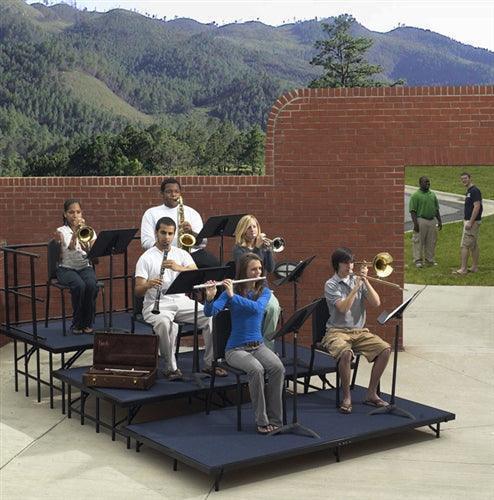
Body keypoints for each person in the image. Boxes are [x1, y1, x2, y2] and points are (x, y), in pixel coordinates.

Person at [135, 216, 227, 380]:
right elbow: (138, 291)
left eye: (170, 234)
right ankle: (170, 368)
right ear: (156, 233)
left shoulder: (181, 254)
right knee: (164, 323)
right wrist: (148, 284)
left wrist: (178, 268)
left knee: (211, 316)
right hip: (157, 304)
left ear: (174, 234)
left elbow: (196, 274)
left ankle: (210, 363)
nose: (166, 237)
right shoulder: (146, 258)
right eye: (163, 233)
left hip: (181, 301)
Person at [204, 253, 285, 434]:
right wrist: (210, 298)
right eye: (253, 269)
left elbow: (257, 308)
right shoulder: (230, 291)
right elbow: (211, 312)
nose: (258, 272)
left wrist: (232, 296)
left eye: (259, 269)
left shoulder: (264, 292)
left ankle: (275, 419)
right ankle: (262, 420)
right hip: (235, 350)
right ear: (244, 272)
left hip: (258, 346)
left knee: (278, 368)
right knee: (256, 370)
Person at [322, 247, 391, 414]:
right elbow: (343, 308)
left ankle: (371, 393)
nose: (350, 265)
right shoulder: (331, 284)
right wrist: (356, 287)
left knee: (385, 349)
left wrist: (365, 281)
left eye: (352, 262)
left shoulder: (358, 280)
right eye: (345, 262)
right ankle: (347, 397)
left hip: (359, 331)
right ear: (337, 265)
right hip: (336, 331)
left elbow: (376, 303)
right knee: (346, 353)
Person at [140, 177, 220, 268]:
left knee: (215, 265)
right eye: (169, 192)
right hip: (164, 253)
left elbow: (203, 242)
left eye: (176, 191)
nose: (173, 195)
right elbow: (146, 242)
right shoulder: (151, 213)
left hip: (191, 253)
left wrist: (191, 233)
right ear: (162, 193)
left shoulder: (192, 212)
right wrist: (167, 250)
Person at [232, 215, 281, 350]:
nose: (253, 230)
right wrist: (258, 249)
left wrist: (268, 250)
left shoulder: (262, 247)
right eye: (249, 227)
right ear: (242, 230)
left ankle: (267, 347)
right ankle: (255, 345)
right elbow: (248, 268)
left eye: (254, 226)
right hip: (246, 289)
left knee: (274, 308)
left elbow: (270, 268)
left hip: (262, 288)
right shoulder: (238, 249)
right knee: (256, 311)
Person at [55, 199, 99, 334]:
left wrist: (88, 247)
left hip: (84, 267)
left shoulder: (89, 231)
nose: (75, 215)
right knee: (79, 285)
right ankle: (77, 323)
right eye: (71, 212)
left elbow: (95, 257)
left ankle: (87, 322)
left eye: (78, 212)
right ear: (65, 214)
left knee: (91, 285)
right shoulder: (60, 231)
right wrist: (75, 234)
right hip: (66, 268)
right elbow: (70, 248)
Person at [409, 176, 442, 268]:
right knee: (418, 241)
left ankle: (429, 260)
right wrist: (416, 224)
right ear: (420, 184)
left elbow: (436, 209)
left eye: (428, 182)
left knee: (431, 241)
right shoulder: (415, 195)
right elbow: (412, 211)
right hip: (421, 220)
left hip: (432, 221)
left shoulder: (432, 194)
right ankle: (418, 260)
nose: (428, 184)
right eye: (426, 182)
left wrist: (439, 220)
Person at [454, 172, 483, 275]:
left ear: (470, 178)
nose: (464, 180)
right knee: (473, 245)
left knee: (465, 245)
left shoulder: (474, 191)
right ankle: (474, 267)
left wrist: (470, 222)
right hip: (471, 221)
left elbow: (477, 206)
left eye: (465, 178)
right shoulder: (469, 191)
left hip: (472, 222)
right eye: (462, 179)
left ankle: (463, 269)